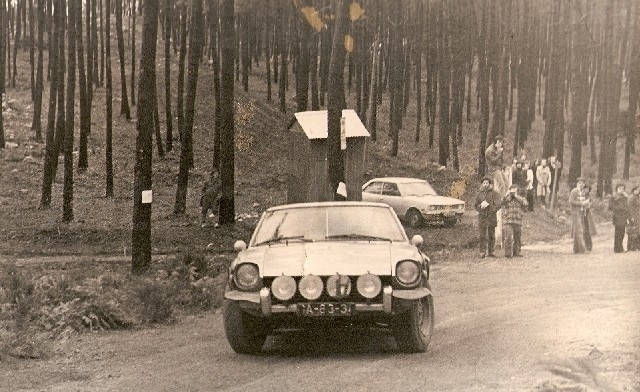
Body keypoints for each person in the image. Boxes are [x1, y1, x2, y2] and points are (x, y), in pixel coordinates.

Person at [474, 176, 502, 258]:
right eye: (484, 183)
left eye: (487, 183)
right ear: (482, 184)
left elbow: (498, 204)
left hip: (491, 216)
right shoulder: (479, 194)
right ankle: (482, 251)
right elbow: (475, 205)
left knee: (491, 235)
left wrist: (490, 207)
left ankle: (491, 251)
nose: (485, 185)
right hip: (482, 216)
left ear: (489, 184)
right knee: (482, 235)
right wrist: (480, 206)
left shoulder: (494, 193)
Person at [501, 184, 528, 258]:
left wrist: (516, 197)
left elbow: (526, 205)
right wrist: (507, 195)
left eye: (515, 190)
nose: (513, 192)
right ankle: (508, 253)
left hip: (518, 220)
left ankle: (517, 252)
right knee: (508, 236)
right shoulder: (507, 198)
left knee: (517, 237)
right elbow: (501, 203)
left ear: (517, 191)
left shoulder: (521, 198)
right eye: (512, 190)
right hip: (508, 220)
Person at [568, 178, 589, 254]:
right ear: (577, 183)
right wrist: (581, 203)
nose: (581, 184)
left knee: (579, 229)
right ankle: (583, 249)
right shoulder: (574, 191)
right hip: (575, 212)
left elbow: (583, 201)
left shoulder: (582, 192)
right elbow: (571, 201)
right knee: (579, 229)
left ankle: (576, 249)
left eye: (582, 183)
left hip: (582, 212)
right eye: (579, 183)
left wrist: (586, 204)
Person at [609, 183, 630, 253]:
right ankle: (617, 248)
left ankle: (621, 248)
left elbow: (627, 206)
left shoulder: (624, 197)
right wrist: (620, 208)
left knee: (622, 233)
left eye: (623, 189)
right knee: (618, 233)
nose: (621, 190)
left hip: (624, 217)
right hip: (617, 216)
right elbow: (611, 207)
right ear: (616, 189)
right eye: (620, 188)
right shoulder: (613, 197)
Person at [582, 184, 597, 251]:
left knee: (587, 230)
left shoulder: (588, 197)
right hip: (581, 213)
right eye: (584, 189)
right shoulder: (580, 195)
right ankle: (583, 245)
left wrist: (588, 205)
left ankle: (588, 245)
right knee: (582, 230)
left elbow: (590, 204)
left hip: (587, 214)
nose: (586, 190)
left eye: (587, 189)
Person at [627, 186, 640, 251]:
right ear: (634, 190)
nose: (639, 191)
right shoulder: (631, 198)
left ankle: (637, 246)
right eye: (638, 190)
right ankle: (631, 246)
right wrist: (631, 217)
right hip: (634, 216)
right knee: (633, 231)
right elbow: (630, 208)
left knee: (637, 231)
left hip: (638, 216)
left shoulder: (637, 197)